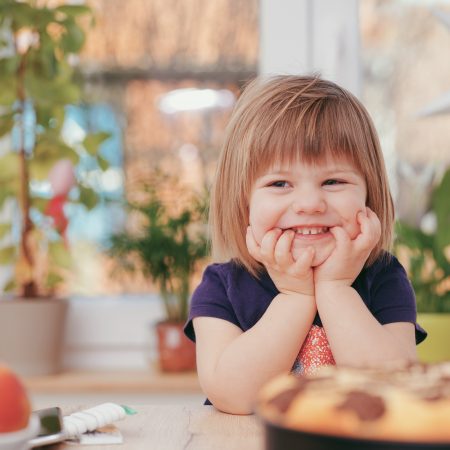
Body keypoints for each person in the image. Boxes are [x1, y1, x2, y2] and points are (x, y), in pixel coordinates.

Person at [184, 75, 426, 415]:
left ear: (369, 195)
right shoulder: (222, 286)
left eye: (333, 181)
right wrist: (295, 297)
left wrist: (336, 289)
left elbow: (394, 392)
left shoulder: (384, 277)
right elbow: (233, 396)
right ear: (244, 203)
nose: (310, 203)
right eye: (280, 183)